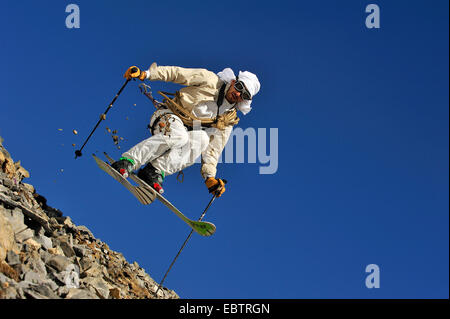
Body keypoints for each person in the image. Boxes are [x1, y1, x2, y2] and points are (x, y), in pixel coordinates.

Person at [112, 63, 260, 198]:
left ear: (245, 100)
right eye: (239, 87)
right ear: (233, 82)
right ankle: (128, 161)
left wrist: (210, 176)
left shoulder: (227, 119)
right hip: (167, 117)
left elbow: (215, 149)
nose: (238, 93)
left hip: (186, 134)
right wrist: (147, 74)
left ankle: (153, 171)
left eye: (244, 95)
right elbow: (178, 74)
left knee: (202, 139)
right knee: (179, 135)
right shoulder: (210, 80)